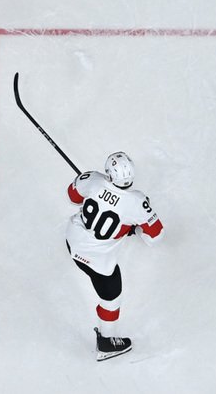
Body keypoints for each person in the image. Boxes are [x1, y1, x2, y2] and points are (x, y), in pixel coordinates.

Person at [65, 151, 164, 361]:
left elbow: (72, 197)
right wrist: (134, 228)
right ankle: (106, 344)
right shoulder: (137, 203)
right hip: (98, 262)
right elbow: (155, 236)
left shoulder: (93, 179)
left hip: (73, 241)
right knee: (111, 299)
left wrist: (94, 190)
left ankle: (106, 341)